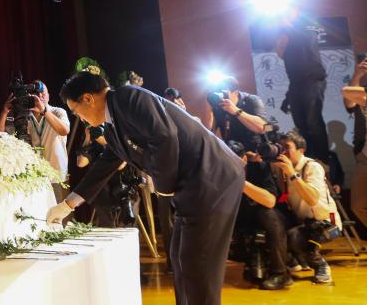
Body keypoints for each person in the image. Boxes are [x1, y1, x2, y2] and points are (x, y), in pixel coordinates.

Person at [47, 71, 245, 305]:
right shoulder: (112, 126)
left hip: (213, 176)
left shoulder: (127, 97)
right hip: (193, 183)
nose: (79, 118)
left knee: (197, 262)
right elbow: (106, 164)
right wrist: (68, 204)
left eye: (75, 110)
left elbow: (164, 136)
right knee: (181, 258)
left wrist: (164, 187)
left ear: (88, 98)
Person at [272, 131, 341, 284]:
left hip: (327, 223)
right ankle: (296, 261)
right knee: (273, 228)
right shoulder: (281, 168)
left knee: (294, 237)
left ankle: (321, 265)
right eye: (280, 147)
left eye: (287, 147)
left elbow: (312, 199)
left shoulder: (312, 166)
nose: (283, 151)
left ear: (301, 150)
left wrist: (291, 173)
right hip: (303, 221)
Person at [227, 141, 291, 290]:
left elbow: (270, 201)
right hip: (242, 221)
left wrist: (240, 183)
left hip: (271, 219)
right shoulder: (217, 171)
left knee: (267, 214)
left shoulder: (260, 168)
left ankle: (281, 273)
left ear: (243, 159)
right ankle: (254, 259)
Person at [0, 80, 70, 202]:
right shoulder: (23, 116)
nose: (39, 96)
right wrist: (5, 111)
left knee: (59, 216)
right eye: (35, 93)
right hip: (34, 176)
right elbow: (0, 135)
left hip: (56, 175)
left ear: (49, 95)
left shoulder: (58, 112)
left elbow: (64, 130)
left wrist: (44, 111)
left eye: (42, 93)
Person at [276, 12, 330, 164]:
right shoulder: (285, 35)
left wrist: (288, 26)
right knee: (300, 124)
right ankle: (310, 158)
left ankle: (323, 160)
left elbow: (310, 35)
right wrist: (288, 98)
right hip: (296, 84)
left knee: (313, 121)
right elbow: (292, 71)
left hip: (313, 79)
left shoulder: (305, 25)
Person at [205, 76, 267, 153]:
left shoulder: (251, 100)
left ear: (236, 92)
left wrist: (236, 111)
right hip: (235, 156)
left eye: (223, 93)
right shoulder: (218, 107)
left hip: (257, 155)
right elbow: (208, 134)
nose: (220, 97)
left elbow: (263, 128)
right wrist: (209, 110)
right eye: (217, 93)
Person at [342, 53, 367, 228]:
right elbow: (348, 96)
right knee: (357, 204)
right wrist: (358, 75)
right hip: (364, 154)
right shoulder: (361, 92)